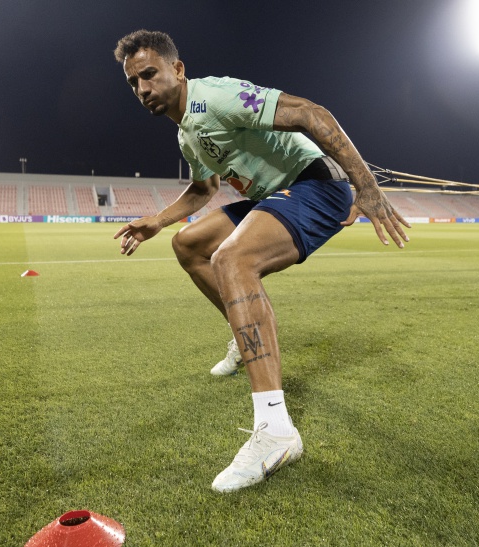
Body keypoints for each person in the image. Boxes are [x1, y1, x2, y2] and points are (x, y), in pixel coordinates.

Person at [112, 30, 409, 493]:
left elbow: (312, 114)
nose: (143, 88)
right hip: (273, 196)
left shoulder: (215, 96)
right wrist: (159, 221)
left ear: (178, 69)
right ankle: (242, 334)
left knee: (232, 259)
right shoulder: (187, 132)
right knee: (189, 245)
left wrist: (366, 189)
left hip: (316, 184)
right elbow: (204, 190)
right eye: (133, 82)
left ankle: (276, 431)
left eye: (149, 74)